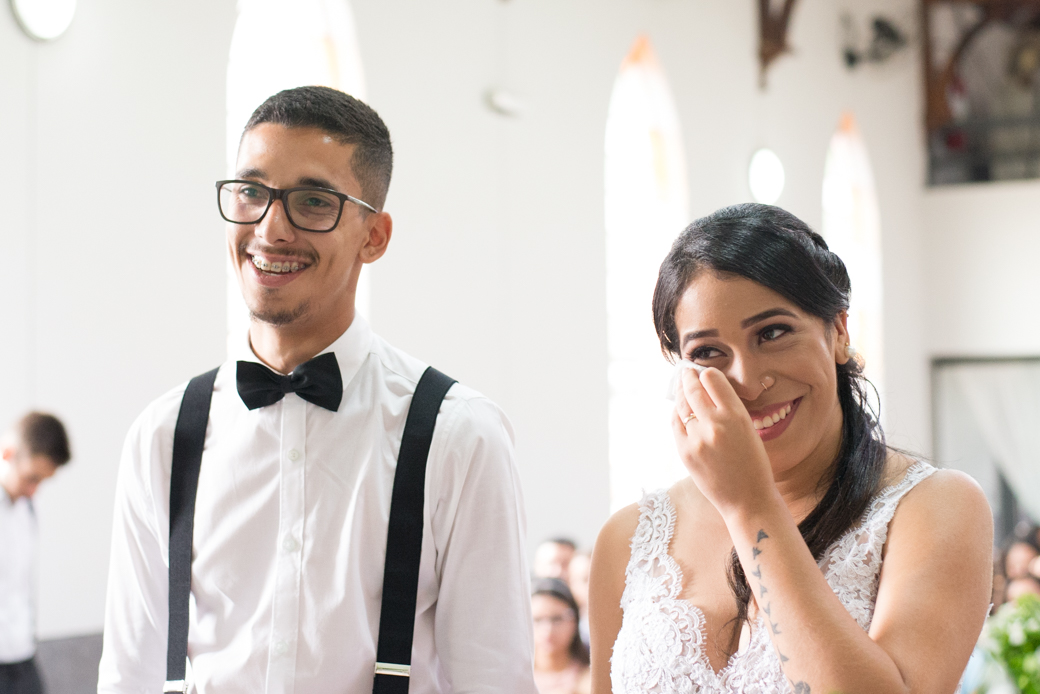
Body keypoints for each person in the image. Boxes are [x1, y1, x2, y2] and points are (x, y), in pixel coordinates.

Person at [97, 86, 536, 693]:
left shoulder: (460, 436)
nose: (270, 229)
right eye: (251, 192)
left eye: (312, 201)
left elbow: (493, 682)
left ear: (374, 236)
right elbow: (129, 676)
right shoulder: (164, 434)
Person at [589, 204, 994, 693]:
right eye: (708, 353)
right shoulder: (629, 538)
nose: (749, 381)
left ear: (839, 331)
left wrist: (750, 506)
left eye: (773, 333)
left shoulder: (934, 507)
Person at [0, 412, 72, 694]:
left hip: (22, 656)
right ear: (7, 453)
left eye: (42, 481)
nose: (34, 491)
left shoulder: (27, 508)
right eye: (31, 478)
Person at [532, 578, 591, 694]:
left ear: (574, 621)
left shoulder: (592, 677)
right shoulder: (513, 675)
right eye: (537, 620)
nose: (547, 630)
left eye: (557, 619)